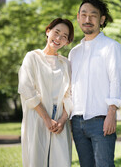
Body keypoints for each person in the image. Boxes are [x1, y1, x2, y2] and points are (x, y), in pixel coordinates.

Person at [69, 0, 121, 167]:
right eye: (84, 14)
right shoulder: (74, 52)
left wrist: (111, 113)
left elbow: (115, 81)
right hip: (77, 122)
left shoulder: (111, 46)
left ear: (102, 20)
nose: (88, 19)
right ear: (78, 17)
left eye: (93, 15)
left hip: (101, 120)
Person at [18, 18, 74, 167]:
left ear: (67, 42)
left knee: (61, 161)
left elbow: (70, 95)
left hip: (60, 119)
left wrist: (62, 121)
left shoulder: (66, 63)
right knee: (36, 160)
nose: (58, 38)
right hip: (37, 116)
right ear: (48, 31)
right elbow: (26, 89)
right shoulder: (32, 57)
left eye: (64, 36)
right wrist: (47, 119)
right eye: (56, 32)